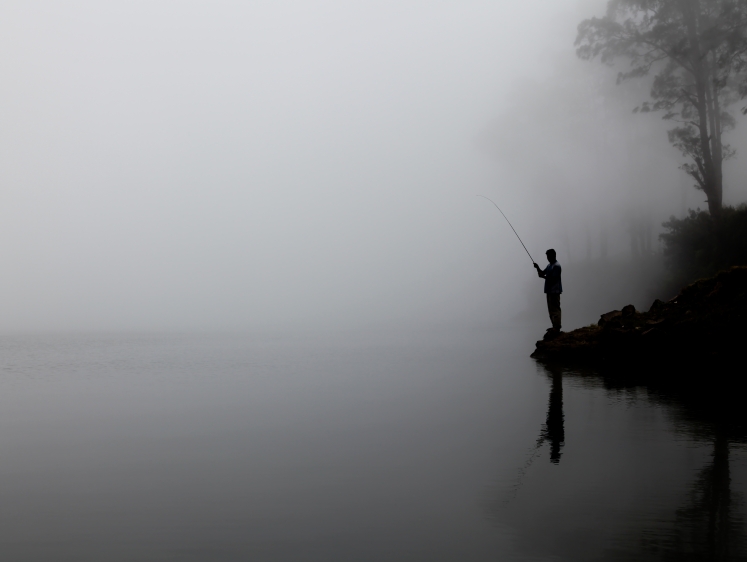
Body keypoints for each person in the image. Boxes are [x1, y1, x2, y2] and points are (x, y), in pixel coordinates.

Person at [534, 249, 562, 332]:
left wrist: (543, 277)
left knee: (555, 309)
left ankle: (557, 327)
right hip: (549, 291)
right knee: (550, 309)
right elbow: (543, 272)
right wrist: (537, 268)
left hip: (555, 291)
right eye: (547, 256)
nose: (547, 258)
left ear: (553, 255)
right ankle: (554, 326)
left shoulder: (557, 266)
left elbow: (553, 279)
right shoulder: (549, 265)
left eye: (548, 256)